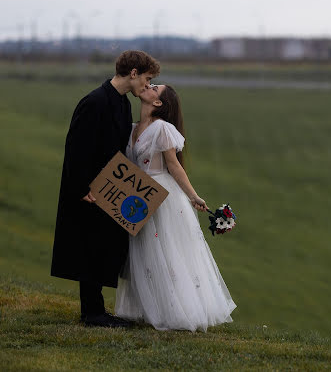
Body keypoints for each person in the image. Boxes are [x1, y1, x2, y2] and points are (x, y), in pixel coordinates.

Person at [51, 50, 160, 327]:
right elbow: (76, 148)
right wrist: (81, 186)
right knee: (88, 246)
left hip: (109, 187)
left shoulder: (122, 104)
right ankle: (92, 313)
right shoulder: (94, 102)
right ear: (133, 73)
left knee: (102, 245)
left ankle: (97, 310)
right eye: (147, 79)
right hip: (89, 190)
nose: (147, 86)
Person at [115, 84, 236, 331]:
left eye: (154, 88)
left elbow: (174, 166)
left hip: (161, 195)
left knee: (166, 250)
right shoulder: (132, 129)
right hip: (138, 194)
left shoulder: (162, 128)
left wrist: (193, 196)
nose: (148, 86)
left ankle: (178, 310)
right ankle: (151, 307)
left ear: (158, 103)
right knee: (145, 250)